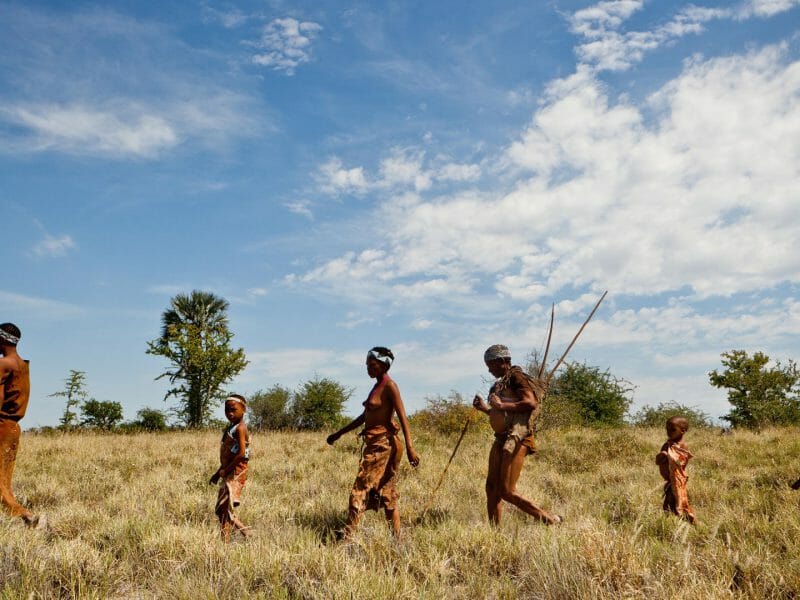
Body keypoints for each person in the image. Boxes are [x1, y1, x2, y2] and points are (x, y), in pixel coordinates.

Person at [327, 346, 420, 537]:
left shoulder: (389, 386)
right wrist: (338, 433)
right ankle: (397, 538)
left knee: (361, 489)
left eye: (372, 365)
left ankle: (348, 536)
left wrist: (410, 448)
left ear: (383, 366)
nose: (368, 369)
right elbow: (364, 417)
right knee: (385, 491)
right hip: (375, 444)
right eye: (367, 365)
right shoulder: (377, 386)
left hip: (384, 446)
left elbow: (402, 416)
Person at [472, 344, 562, 526]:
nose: (489, 370)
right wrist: (485, 409)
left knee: (507, 491)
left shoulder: (516, 377)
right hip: (501, 439)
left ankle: (549, 519)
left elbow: (530, 402)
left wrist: (502, 405)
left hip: (517, 439)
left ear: (503, 361)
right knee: (491, 488)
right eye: (488, 366)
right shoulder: (499, 384)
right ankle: (494, 533)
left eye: (492, 366)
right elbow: (502, 415)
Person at [0, 323, 40, 527]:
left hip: (2, 426)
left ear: (3, 339)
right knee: (4, 480)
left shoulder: (4, 364)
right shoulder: (22, 365)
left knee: (1, 488)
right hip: (13, 428)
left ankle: (23, 516)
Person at [209, 394, 251, 541]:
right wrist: (217, 473)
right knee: (221, 510)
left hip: (236, 472)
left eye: (233, 409)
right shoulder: (231, 428)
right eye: (227, 410)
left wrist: (225, 471)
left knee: (224, 508)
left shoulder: (240, 428)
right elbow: (230, 455)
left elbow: (240, 454)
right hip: (229, 471)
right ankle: (229, 540)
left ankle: (244, 535)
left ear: (243, 410)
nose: (230, 413)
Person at [655, 415, 696, 523]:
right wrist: (662, 456)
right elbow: (658, 462)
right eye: (667, 429)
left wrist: (669, 457)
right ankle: (673, 523)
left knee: (677, 503)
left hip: (677, 480)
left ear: (682, 431)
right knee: (671, 503)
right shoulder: (666, 445)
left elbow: (681, 463)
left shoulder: (683, 447)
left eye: (672, 430)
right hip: (669, 480)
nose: (669, 432)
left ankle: (689, 523)